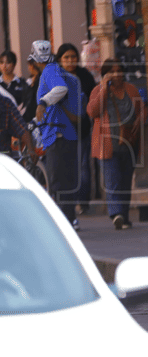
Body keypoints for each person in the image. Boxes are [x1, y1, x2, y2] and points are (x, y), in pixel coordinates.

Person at [87, 59, 146, 230]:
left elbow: (142, 109)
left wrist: (140, 119)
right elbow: (92, 111)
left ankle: (124, 217)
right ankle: (116, 214)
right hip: (107, 145)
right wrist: (104, 89)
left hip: (129, 142)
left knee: (126, 181)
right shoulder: (98, 90)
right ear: (105, 74)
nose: (116, 74)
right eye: (112, 71)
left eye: (119, 70)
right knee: (113, 180)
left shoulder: (131, 89)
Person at [33, 40, 84, 227]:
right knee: (66, 181)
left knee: (58, 182)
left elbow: (60, 90)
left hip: (58, 135)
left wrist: (43, 102)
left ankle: (66, 222)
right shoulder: (56, 72)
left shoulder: (50, 71)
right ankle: (70, 220)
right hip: (64, 134)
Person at [56, 43, 98, 215]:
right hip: (60, 132)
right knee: (64, 169)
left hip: (82, 129)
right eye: (66, 57)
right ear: (60, 60)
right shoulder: (55, 76)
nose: (70, 60)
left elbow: (92, 99)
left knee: (82, 166)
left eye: (73, 57)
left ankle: (83, 202)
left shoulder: (85, 76)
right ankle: (66, 205)